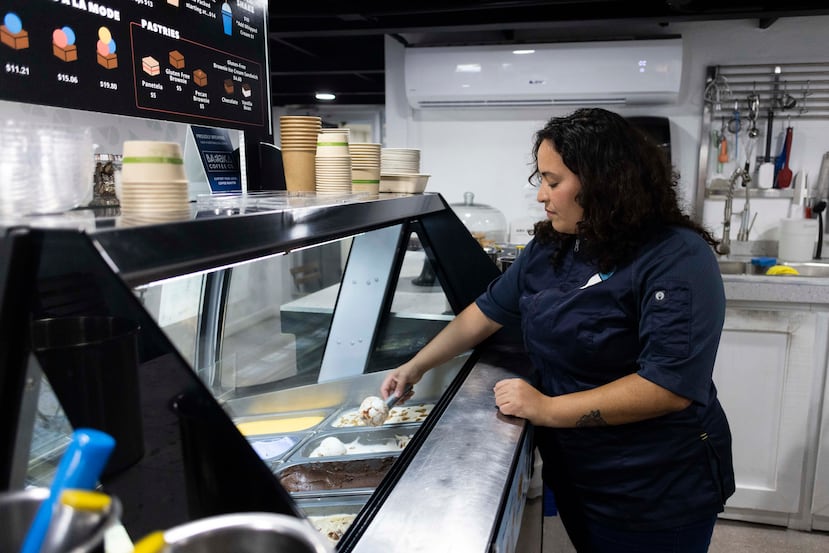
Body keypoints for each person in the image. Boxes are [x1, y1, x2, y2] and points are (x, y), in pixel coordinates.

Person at [380, 108, 735, 552]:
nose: (541, 196)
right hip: (579, 471)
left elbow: (668, 386)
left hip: (656, 487)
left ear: (603, 182)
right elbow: (486, 311)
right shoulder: (556, 245)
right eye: (541, 181)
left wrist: (547, 410)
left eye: (553, 181)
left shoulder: (676, 256)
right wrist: (416, 365)